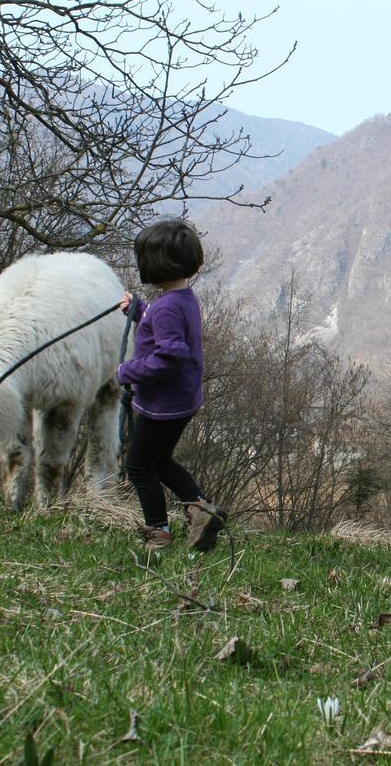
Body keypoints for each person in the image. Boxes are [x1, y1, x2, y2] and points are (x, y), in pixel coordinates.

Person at [117, 219, 227, 552]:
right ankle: (201, 509)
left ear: (154, 264)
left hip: (161, 405)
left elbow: (171, 355)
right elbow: (164, 326)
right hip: (182, 400)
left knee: (139, 466)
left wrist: (127, 371)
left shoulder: (165, 306)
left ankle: (158, 533)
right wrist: (139, 312)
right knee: (161, 460)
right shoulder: (181, 297)